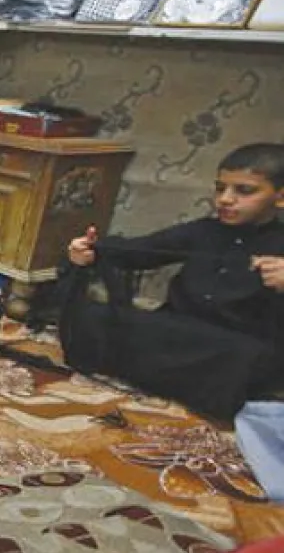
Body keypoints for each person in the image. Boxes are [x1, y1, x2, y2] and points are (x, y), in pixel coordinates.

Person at [66, 142, 284, 396]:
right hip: (174, 331)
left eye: (244, 191)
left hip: (232, 347)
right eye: (220, 188)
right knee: (98, 318)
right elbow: (141, 251)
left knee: (246, 359)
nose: (225, 199)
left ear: (280, 197)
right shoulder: (203, 230)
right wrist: (90, 249)